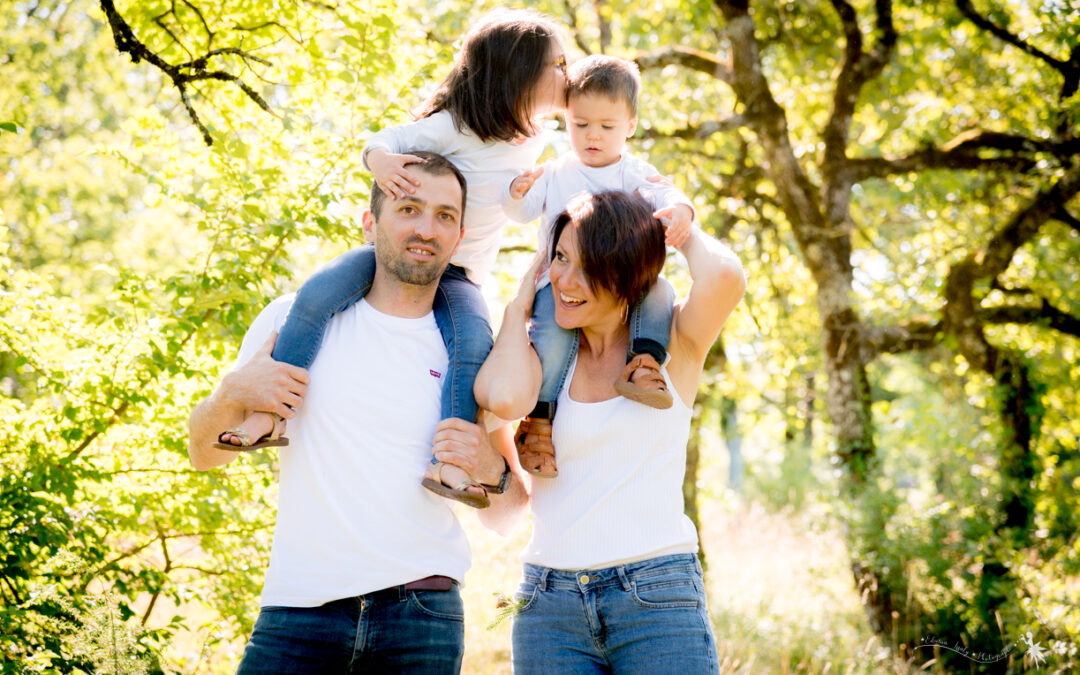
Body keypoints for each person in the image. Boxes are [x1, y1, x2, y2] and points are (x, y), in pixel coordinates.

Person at [188, 153, 527, 673]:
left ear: (460, 237)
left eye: (444, 215)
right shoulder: (293, 319)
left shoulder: (474, 352)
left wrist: (490, 467)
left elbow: (509, 514)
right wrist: (233, 392)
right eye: (408, 207)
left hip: (422, 617)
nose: (426, 228)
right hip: (298, 611)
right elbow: (203, 455)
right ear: (370, 223)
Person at [215, 8, 566, 507]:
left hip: (459, 274)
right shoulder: (454, 127)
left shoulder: (537, 141)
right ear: (518, 73)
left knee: (470, 346)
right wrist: (381, 164)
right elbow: (385, 142)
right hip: (395, 259)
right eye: (557, 65)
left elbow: (528, 202)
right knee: (314, 298)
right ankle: (271, 413)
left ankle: (451, 460)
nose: (566, 76)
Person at [475, 190, 745, 673]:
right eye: (560, 257)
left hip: (655, 599)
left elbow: (725, 276)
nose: (565, 280)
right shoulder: (538, 367)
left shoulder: (670, 349)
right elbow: (502, 516)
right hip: (547, 606)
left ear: (627, 274)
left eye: (590, 266)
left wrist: (679, 226)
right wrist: (517, 312)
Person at [502, 54, 696, 478]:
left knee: (661, 291)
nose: (592, 136)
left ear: (630, 125)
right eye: (580, 125)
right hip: (563, 287)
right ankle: (539, 417)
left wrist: (680, 210)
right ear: (566, 120)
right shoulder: (556, 173)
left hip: (622, 283)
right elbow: (520, 212)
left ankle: (644, 363)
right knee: (550, 338)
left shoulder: (633, 172)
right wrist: (515, 194)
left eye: (607, 127)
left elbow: (666, 194)